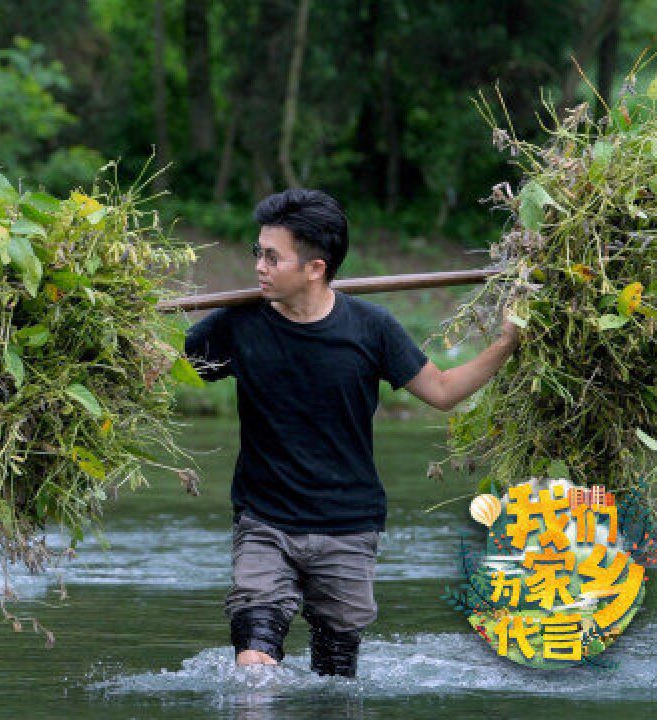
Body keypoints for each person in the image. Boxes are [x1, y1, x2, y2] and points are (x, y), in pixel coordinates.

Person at [185, 189, 520, 677]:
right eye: (257, 252)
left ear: (315, 268)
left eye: (272, 257)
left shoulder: (371, 329)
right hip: (263, 524)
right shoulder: (237, 324)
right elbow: (164, 368)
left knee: (335, 678)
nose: (259, 265)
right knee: (254, 664)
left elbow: (444, 391)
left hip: (348, 527)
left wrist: (508, 343)